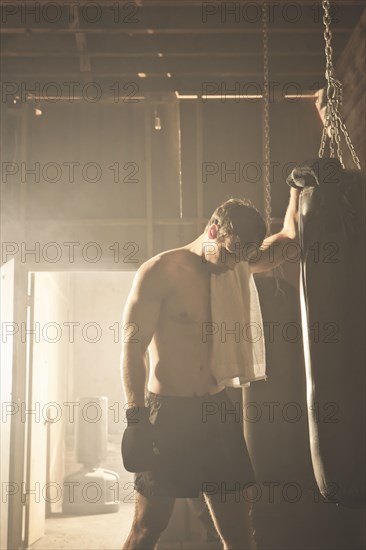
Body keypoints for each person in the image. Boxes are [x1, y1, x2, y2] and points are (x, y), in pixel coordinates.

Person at [121, 189, 300, 550]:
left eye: (244, 258)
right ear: (214, 231)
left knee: (238, 531)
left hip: (215, 411)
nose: (235, 265)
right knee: (147, 528)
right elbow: (132, 345)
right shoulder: (161, 270)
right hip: (168, 413)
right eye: (232, 254)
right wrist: (135, 415)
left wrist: (296, 191)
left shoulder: (236, 263)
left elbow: (289, 241)